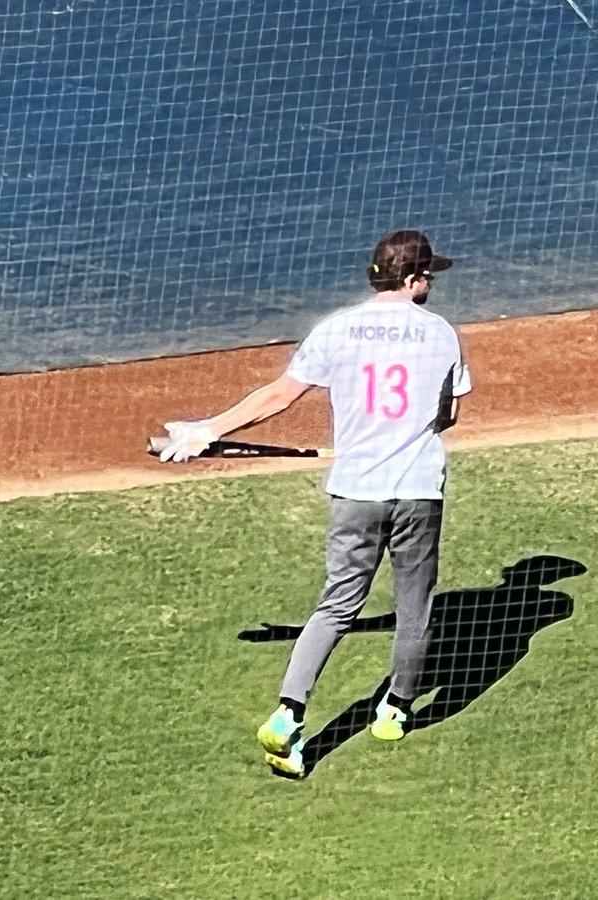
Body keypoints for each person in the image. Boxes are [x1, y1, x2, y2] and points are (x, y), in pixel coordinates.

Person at [160, 229, 472, 777]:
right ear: (413, 279)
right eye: (428, 275)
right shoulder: (441, 334)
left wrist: (209, 429)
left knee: (336, 606)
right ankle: (395, 710)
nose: (430, 282)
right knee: (415, 608)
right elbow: (447, 417)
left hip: (355, 492)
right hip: (418, 491)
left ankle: (288, 712)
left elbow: (279, 396)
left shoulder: (337, 328)